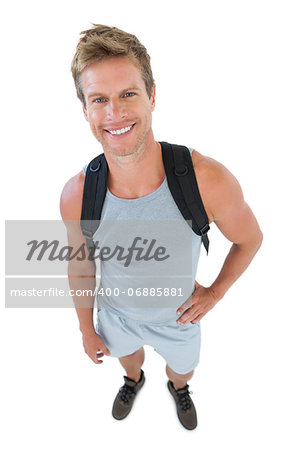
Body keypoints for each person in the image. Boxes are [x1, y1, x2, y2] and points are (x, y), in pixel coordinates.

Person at [60, 24, 263, 430]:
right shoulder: (78, 194)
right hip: (116, 316)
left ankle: (178, 389)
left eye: (128, 94)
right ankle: (133, 380)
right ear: (86, 110)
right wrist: (86, 329)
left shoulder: (206, 179)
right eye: (100, 99)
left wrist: (216, 292)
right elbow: (82, 266)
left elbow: (250, 239)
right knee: (129, 359)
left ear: (152, 95)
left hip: (179, 317)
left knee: (182, 370)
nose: (114, 113)